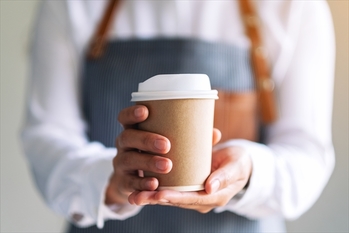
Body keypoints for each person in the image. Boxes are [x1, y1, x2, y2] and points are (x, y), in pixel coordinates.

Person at [21, 0, 336, 232]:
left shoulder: (293, 7)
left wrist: (249, 173)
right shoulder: (70, 5)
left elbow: (307, 154)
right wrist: (108, 181)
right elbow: (47, 136)